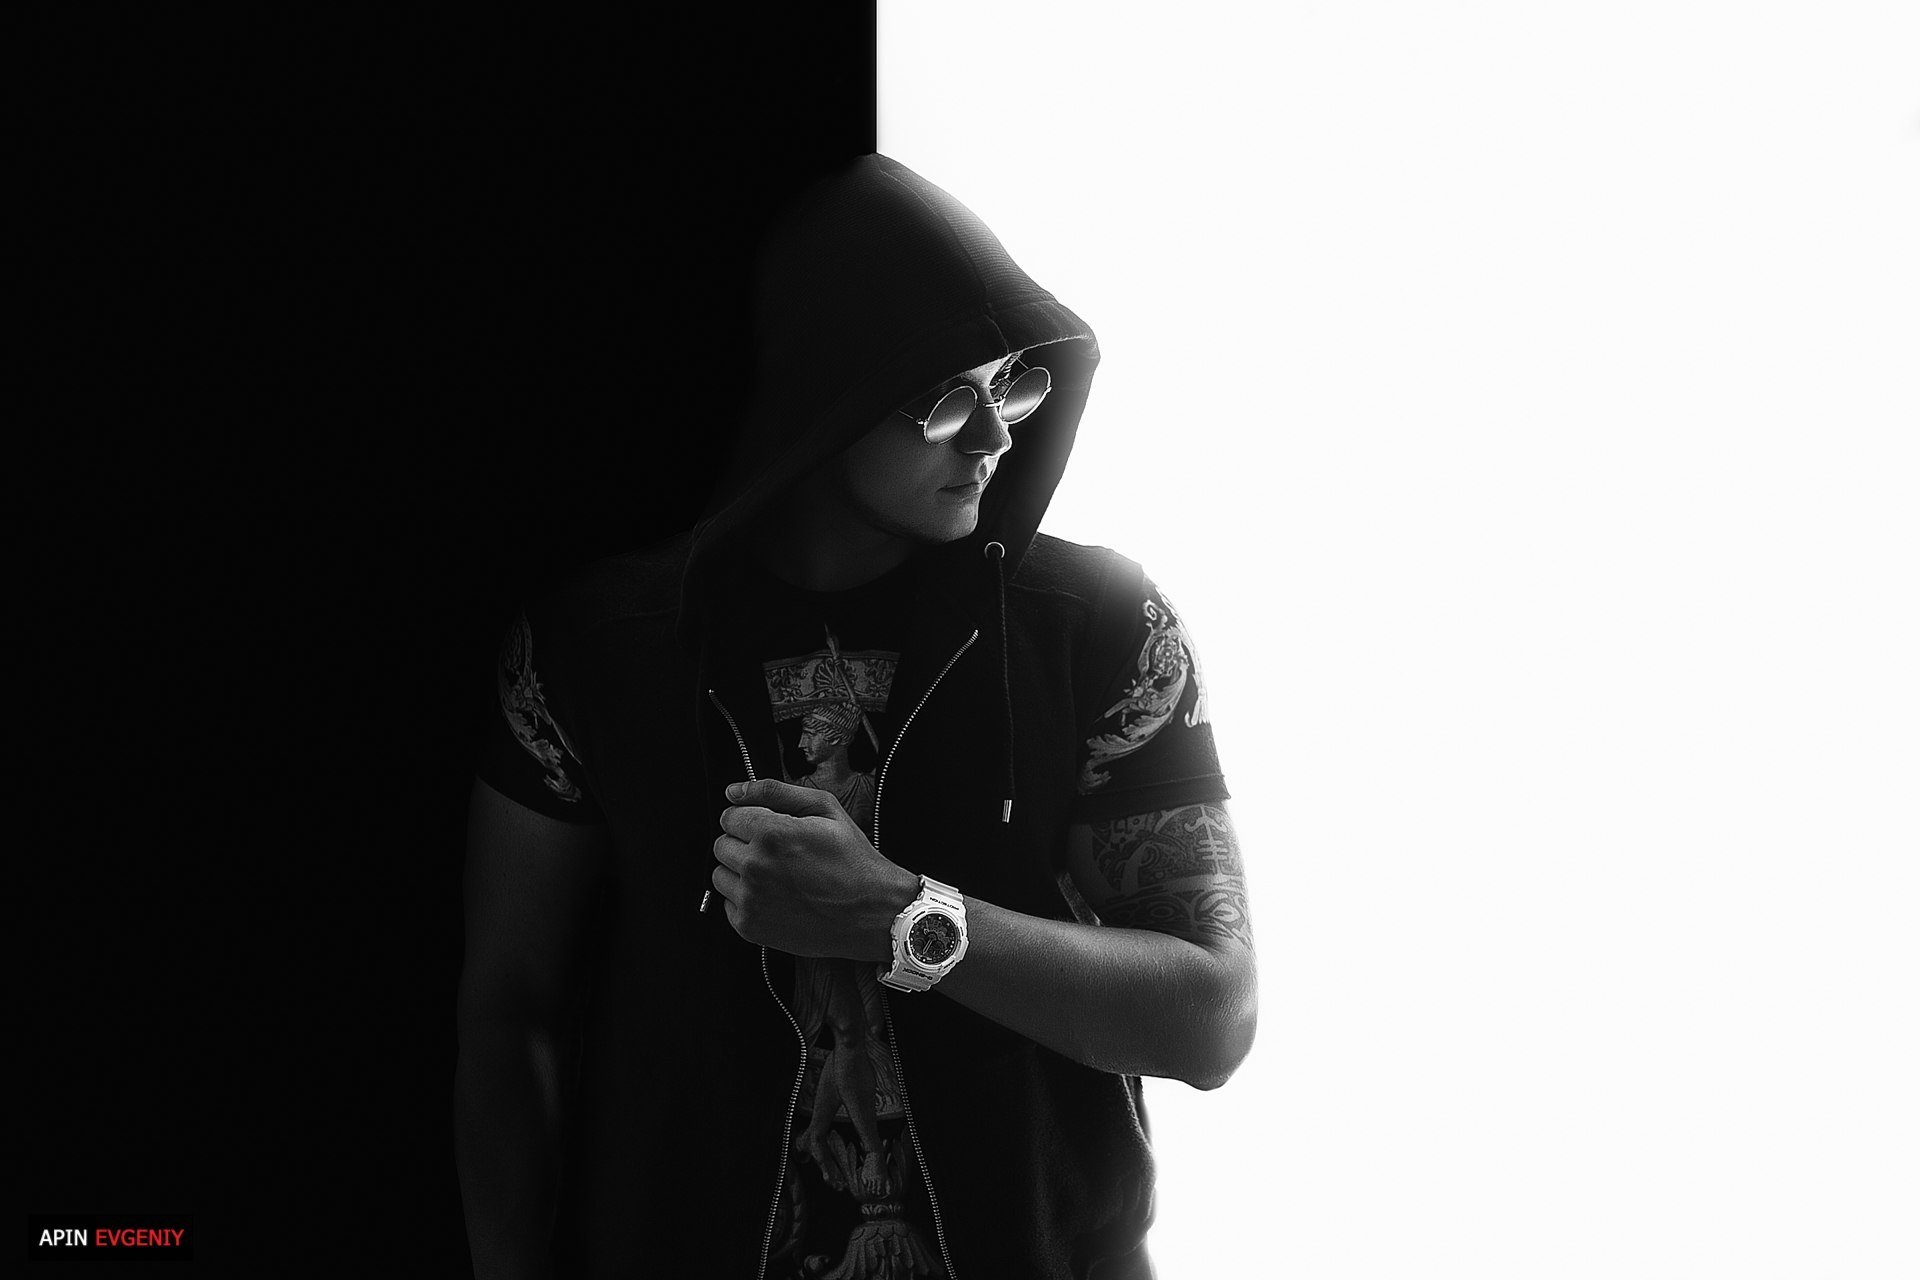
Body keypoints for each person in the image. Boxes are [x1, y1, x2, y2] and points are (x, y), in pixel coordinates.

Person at [456, 153, 1257, 1280]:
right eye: (947, 400)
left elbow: (1212, 1016)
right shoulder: (600, 646)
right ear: (824, 397)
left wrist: (901, 917)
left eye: (1013, 385)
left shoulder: (1097, 625)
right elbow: (510, 1014)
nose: (995, 437)